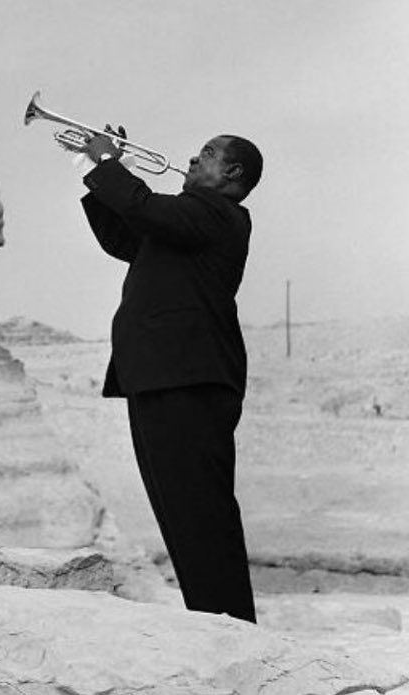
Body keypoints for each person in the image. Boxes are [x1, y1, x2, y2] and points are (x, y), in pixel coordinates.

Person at [79, 129, 263, 624]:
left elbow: (144, 208)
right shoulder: (186, 223)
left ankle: (231, 626)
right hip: (161, 376)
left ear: (232, 174)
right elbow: (123, 236)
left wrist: (111, 165)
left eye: (205, 154)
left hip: (188, 379)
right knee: (181, 512)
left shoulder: (217, 215)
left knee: (201, 512)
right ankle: (215, 621)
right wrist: (99, 174)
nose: (190, 157)